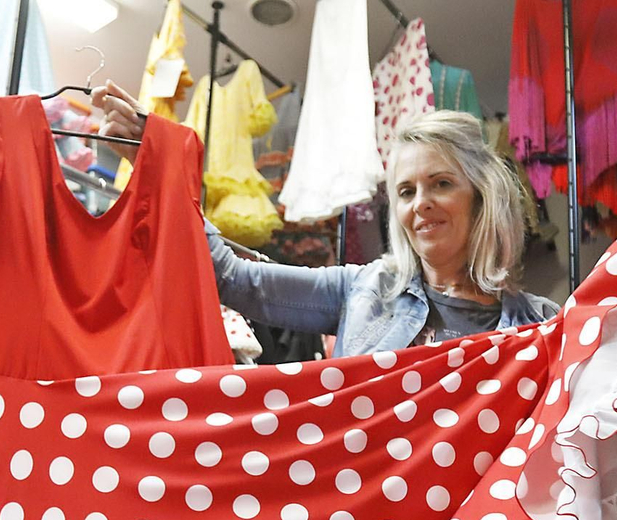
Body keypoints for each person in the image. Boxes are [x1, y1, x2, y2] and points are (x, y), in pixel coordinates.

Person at [94, 81, 558, 356]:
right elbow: (232, 279)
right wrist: (158, 170)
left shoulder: (542, 327)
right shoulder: (362, 289)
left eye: (441, 184)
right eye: (405, 191)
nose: (421, 204)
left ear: (480, 197)